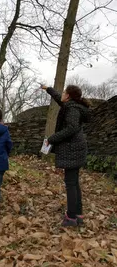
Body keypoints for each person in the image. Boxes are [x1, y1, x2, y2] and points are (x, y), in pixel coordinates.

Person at [41, 84, 91, 227]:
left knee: (71, 184)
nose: (61, 94)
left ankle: (71, 217)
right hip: (75, 148)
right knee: (74, 182)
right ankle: (78, 215)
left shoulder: (72, 109)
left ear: (68, 96)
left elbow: (72, 128)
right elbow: (58, 98)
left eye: (64, 92)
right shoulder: (71, 105)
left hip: (72, 149)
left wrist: (52, 138)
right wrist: (48, 89)